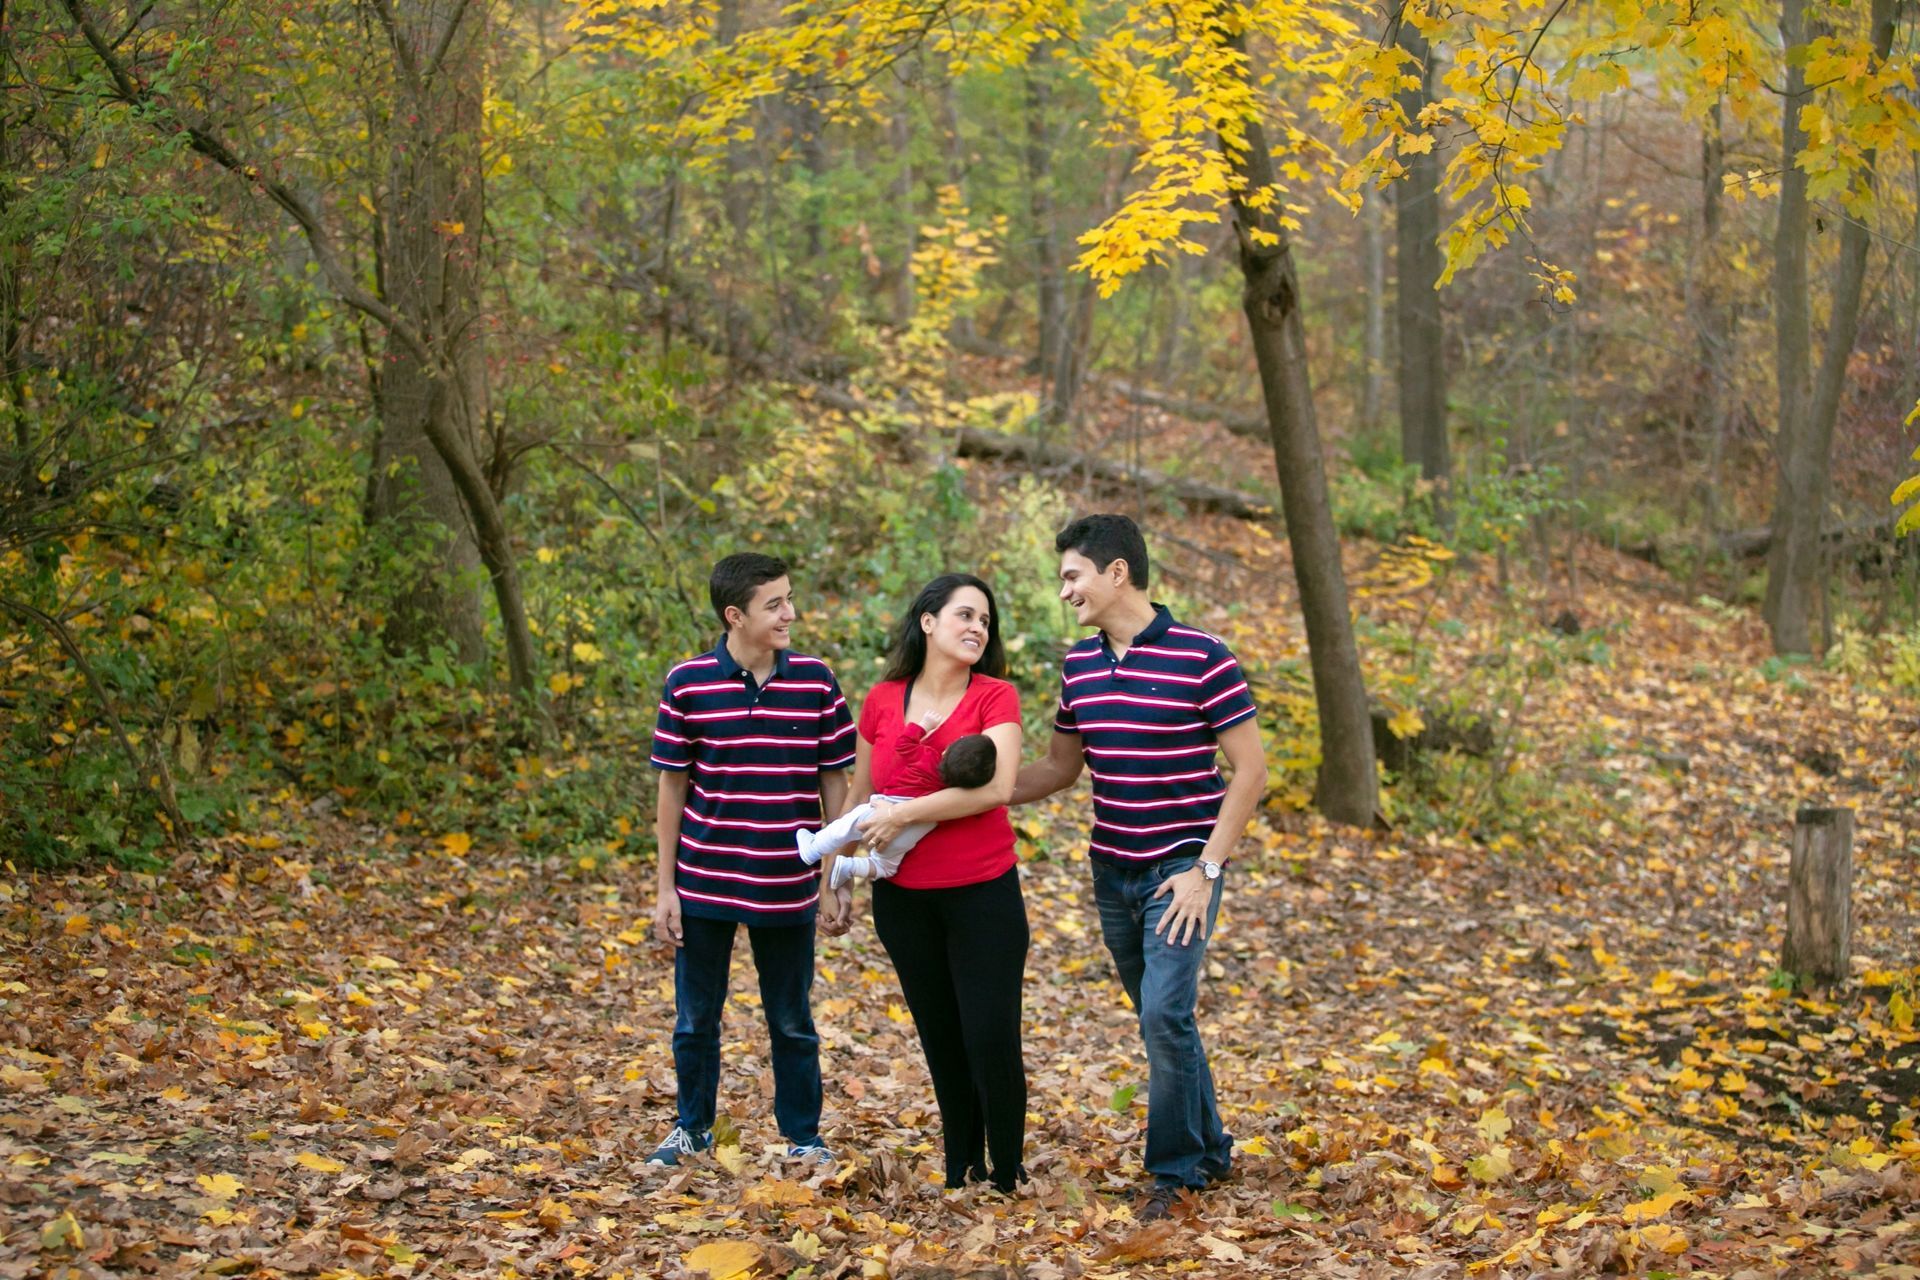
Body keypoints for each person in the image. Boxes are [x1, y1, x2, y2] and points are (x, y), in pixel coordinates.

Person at [1011, 515, 1267, 1222]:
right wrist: (967, 793)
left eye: (1072, 575)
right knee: (1165, 1020)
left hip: (1181, 870)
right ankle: (1210, 1148)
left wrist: (1205, 871)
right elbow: (1060, 769)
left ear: (1116, 572)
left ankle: (1174, 1175)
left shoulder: (1202, 656)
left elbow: (1249, 774)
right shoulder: (1079, 665)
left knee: (1162, 1013)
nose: (1065, 591)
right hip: (1112, 872)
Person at [644, 552, 855, 1168]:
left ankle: (803, 1138)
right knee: (694, 1022)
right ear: (735, 616)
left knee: (792, 1021)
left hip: (788, 884)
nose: (791, 613)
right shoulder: (688, 682)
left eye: (790, 598)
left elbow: (835, 783)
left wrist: (833, 874)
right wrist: (665, 888)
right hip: (705, 881)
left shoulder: (816, 679)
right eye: (776, 604)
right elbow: (672, 788)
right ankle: (692, 1129)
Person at [828, 573, 1028, 1193]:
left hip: (983, 894)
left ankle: (1006, 1172)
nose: (977, 628)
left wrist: (906, 814)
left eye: (985, 621)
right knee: (941, 1036)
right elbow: (859, 799)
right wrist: (837, 881)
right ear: (928, 622)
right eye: (965, 615)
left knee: (990, 1035)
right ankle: (960, 1168)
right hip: (903, 901)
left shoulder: (995, 697)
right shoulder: (883, 699)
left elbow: (995, 789)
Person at [796, 732, 998, 889]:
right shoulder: (951, 795)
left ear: (947, 752)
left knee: (847, 825)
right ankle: (849, 867)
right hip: (913, 832)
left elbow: (904, 744)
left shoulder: (928, 757)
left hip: (883, 809)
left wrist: (922, 727)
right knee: (885, 867)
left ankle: (814, 848)